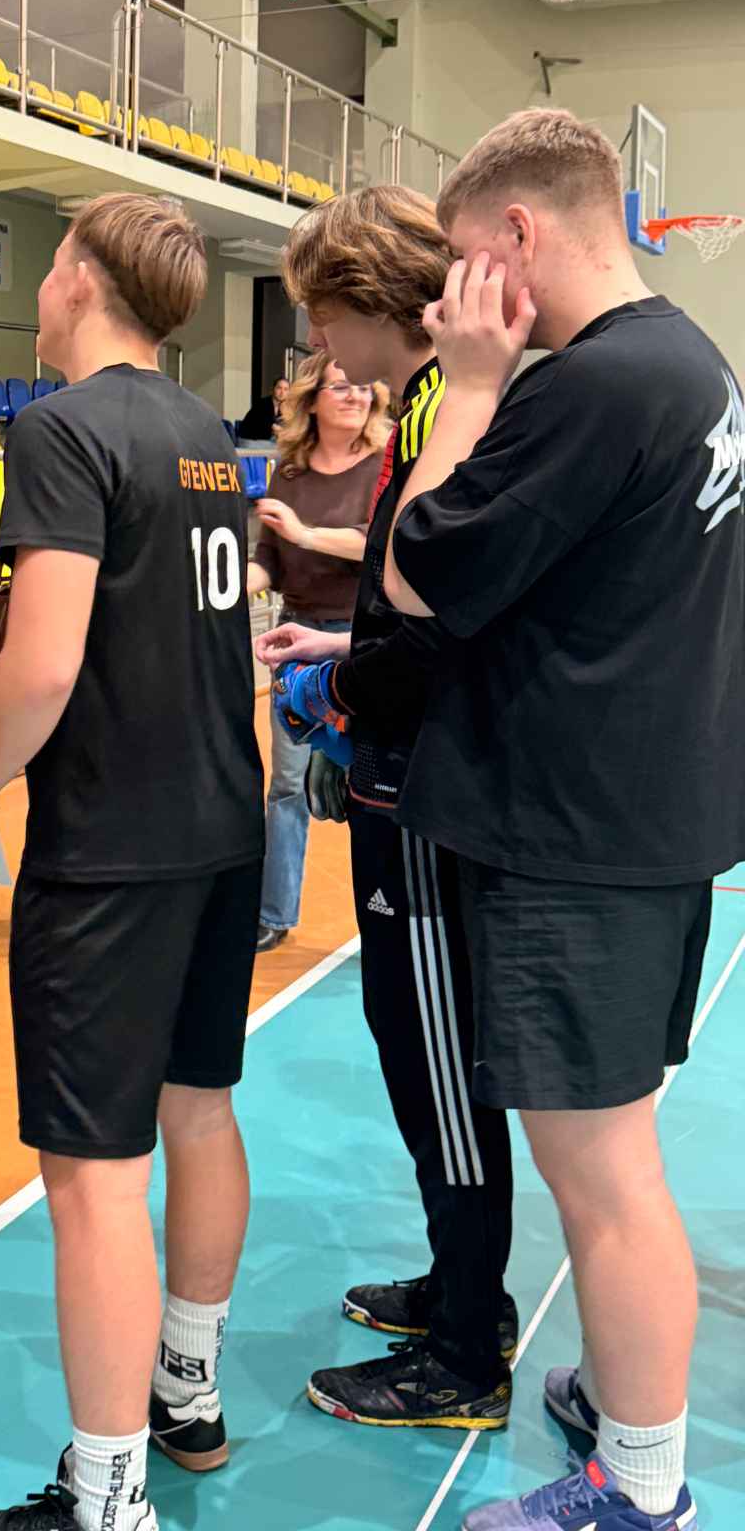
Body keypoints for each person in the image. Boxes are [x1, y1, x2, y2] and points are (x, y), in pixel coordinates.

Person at [381, 110, 745, 1531]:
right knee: (614, 1151)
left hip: (576, 836)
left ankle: (638, 1488)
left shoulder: (588, 385)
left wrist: (467, 389)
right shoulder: (691, 363)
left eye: (466, 259)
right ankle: (621, 1387)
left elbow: (418, 572)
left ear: (517, 236)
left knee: (602, 1175)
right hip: (642, 814)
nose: (456, 293)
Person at [0, 193, 265, 1531]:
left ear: (77, 278)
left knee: (96, 1177)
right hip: (220, 828)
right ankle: (188, 1392)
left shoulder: (60, 430)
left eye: (53, 259)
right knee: (201, 1110)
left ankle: (107, 1496)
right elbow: (139, 629)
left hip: (112, 850)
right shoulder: (204, 434)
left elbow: (55, 660)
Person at [257, 185, 516, 1433]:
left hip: (423, 788)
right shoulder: (427, 406)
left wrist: (348, 684)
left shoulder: (447, 404)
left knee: (439, 1057)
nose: (321, 347)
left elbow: (443, 612)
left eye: (324, 315)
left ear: (373, 299)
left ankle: (466, 1349)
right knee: (408, 1040)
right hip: (397, 775)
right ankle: (457, 1286)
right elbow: (405, 590)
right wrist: (344, 643)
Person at [245, 351, 387, 949]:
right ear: (313, 401)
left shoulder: (383, 464)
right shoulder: (290, 474)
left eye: (364, 387)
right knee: (287, 785)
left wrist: (304, 533)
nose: (356, 396)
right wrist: (226, 587)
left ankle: (384, 909)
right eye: (341, 387)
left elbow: (375, 544)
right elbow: (269, 560)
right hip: (296, 638)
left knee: (369, 782)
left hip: (362, 642)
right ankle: (275, 914)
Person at [236, 374, 289, 442]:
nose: (282, 392)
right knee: (281, 446)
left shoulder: (282, 408)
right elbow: (275, 428)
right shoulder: (263, 404)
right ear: (273, 389)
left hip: (263, 441)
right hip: (247, 440)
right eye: (279, 388)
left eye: (285, 389)